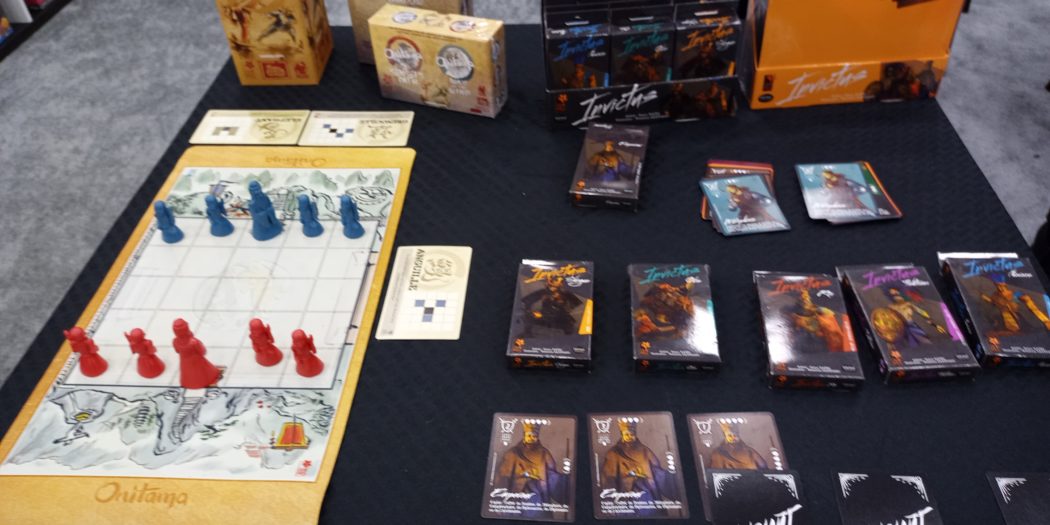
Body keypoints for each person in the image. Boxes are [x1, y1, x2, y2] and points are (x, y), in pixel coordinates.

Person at [495, 421, 567, 518]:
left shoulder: (544, 453)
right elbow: (502, 477)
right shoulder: (513, 453)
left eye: (534, 436)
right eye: (529, 435)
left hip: (538, 495)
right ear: (524, 435)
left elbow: (551, 476)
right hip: (517, 496)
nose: (531, 438)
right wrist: (499, 501)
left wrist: (566, 481)